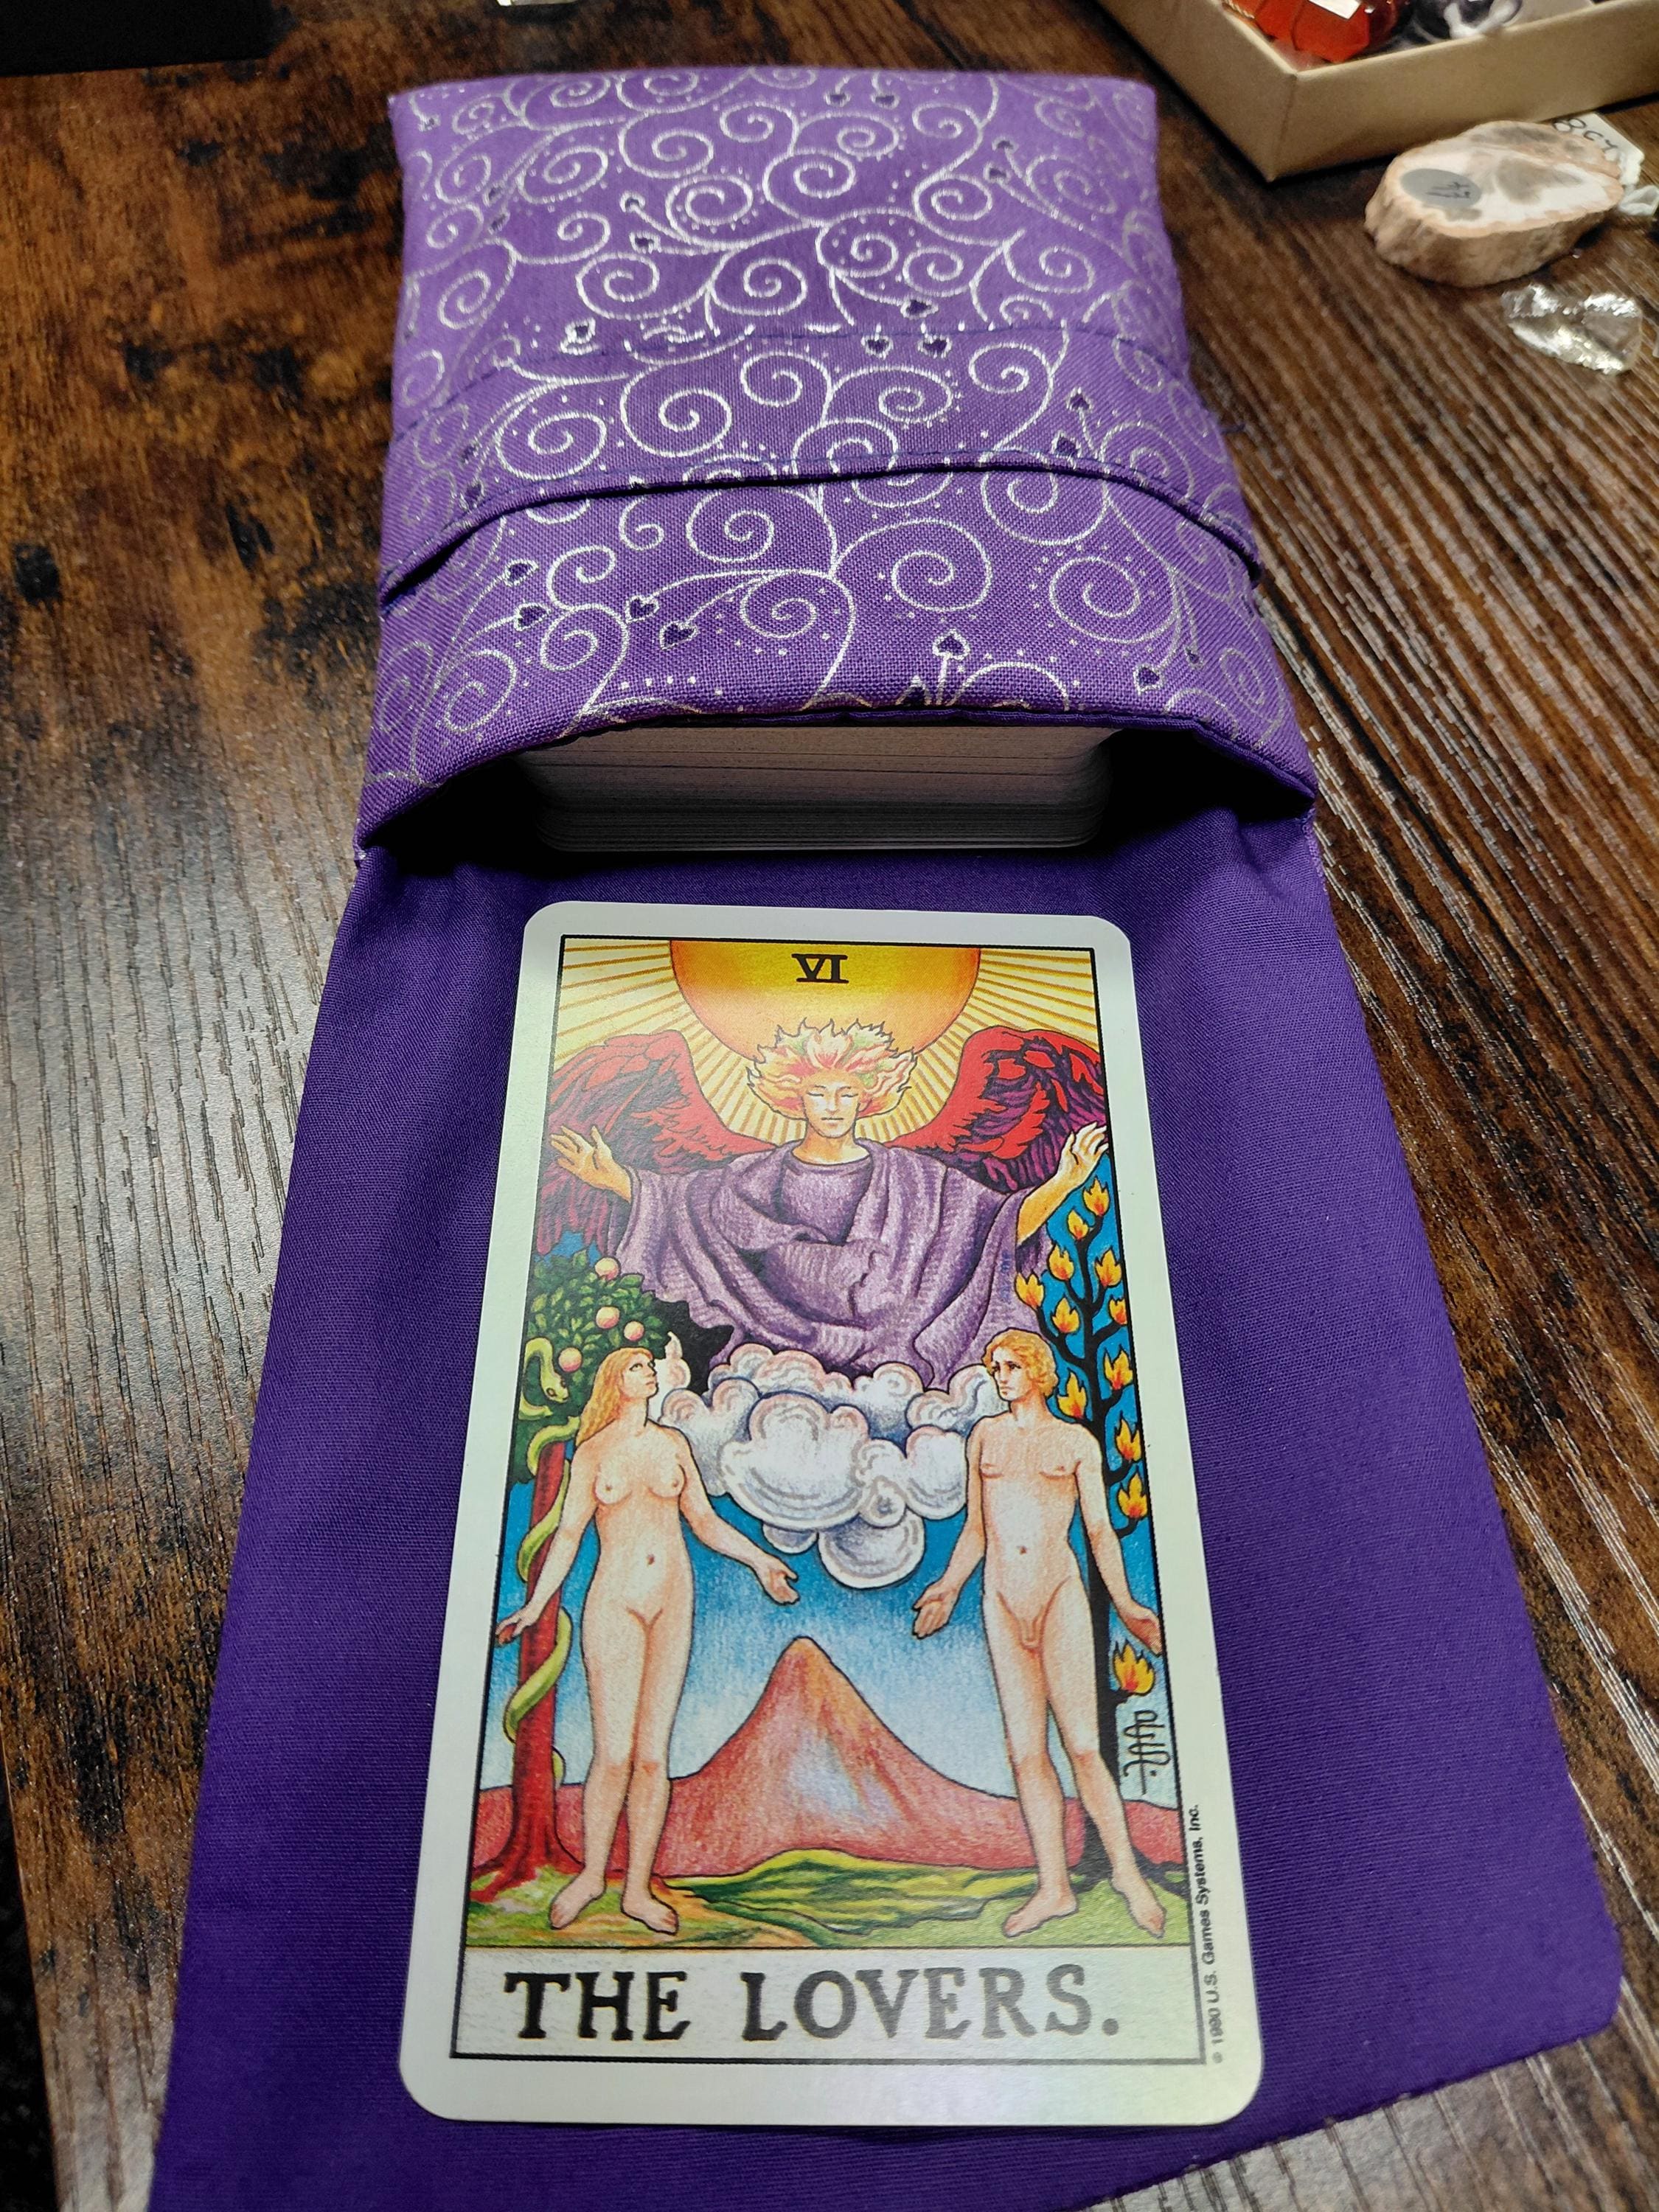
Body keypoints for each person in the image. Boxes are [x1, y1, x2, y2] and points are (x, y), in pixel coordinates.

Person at [551, 1018, 1109, 1385]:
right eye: (818, 1092)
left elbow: (996, 1226)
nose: (833, 1105)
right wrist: (615, 1179)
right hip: (770, 1368)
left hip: (901, 1369)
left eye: (847, 1093)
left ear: (870, 1098)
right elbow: (684, 1209)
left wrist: (1064, 1182)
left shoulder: (917, 1180)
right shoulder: (752, 1179)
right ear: (794, 1099)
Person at [495, 1346, 798, 1934]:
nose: (648, 1371)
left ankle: (636, 1888)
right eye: (636, 1366)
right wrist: (535, 1606)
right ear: (615, 1381)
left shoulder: (673, 1445)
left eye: (649, 1366)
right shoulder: (593, 1453)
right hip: (615, 1602)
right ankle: (592, 1876)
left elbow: (704, 1522)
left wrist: (760, 1561)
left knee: (654, 1756)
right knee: (614, 1754)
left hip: (672, 1599)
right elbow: (568, 1535)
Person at [912, 1328, 1166, 1938]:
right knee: (1025, 1753)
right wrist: (947, 1587)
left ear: (1038, 1371)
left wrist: (1126, 1604)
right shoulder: (985, 1437)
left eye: (1010, 1367)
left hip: (1059, 1598)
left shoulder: (1075, 1442)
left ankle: (1126, 1873)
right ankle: (1054, 1888)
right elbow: (975, 1530)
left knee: (1082, 1746)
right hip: (1000, 1600)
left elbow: (1100, 1531)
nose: (1000, 1377)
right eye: (995, 1368)